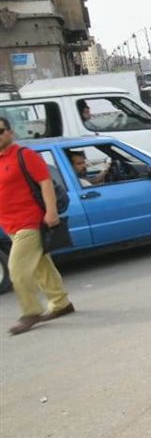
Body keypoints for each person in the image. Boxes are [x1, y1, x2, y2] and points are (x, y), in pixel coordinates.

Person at [0, 116, 74, 335]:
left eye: (1, 131)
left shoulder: (24, 155)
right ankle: (60, 303)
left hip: (30, 222)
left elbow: (45, 182)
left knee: (17, 270)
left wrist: (51, 211)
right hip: (10, 224)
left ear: (10, 132)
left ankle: (31, 312)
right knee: (42, 265)